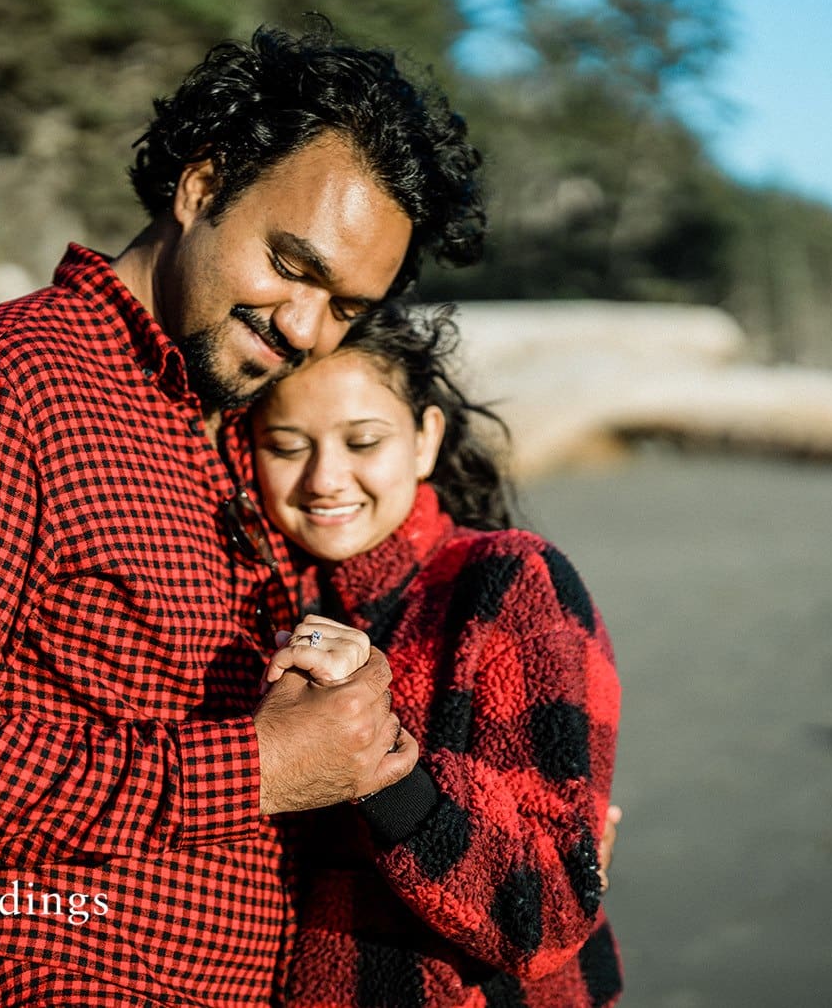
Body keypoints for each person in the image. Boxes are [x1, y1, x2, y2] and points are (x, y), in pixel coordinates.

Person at [0, 23, 485, 1006]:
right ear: (199, 185)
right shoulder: (10, 379)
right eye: (293, 266)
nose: (305, 327)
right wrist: (251, 766)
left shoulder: (235, 429)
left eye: (346, 305)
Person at [249, 303, 624, 1006]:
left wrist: (383, 767)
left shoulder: (509, 583)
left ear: (425, 440)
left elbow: (549, 913)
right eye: (288, 445)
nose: (325, 478)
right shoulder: (272, 608)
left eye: (363, 441)